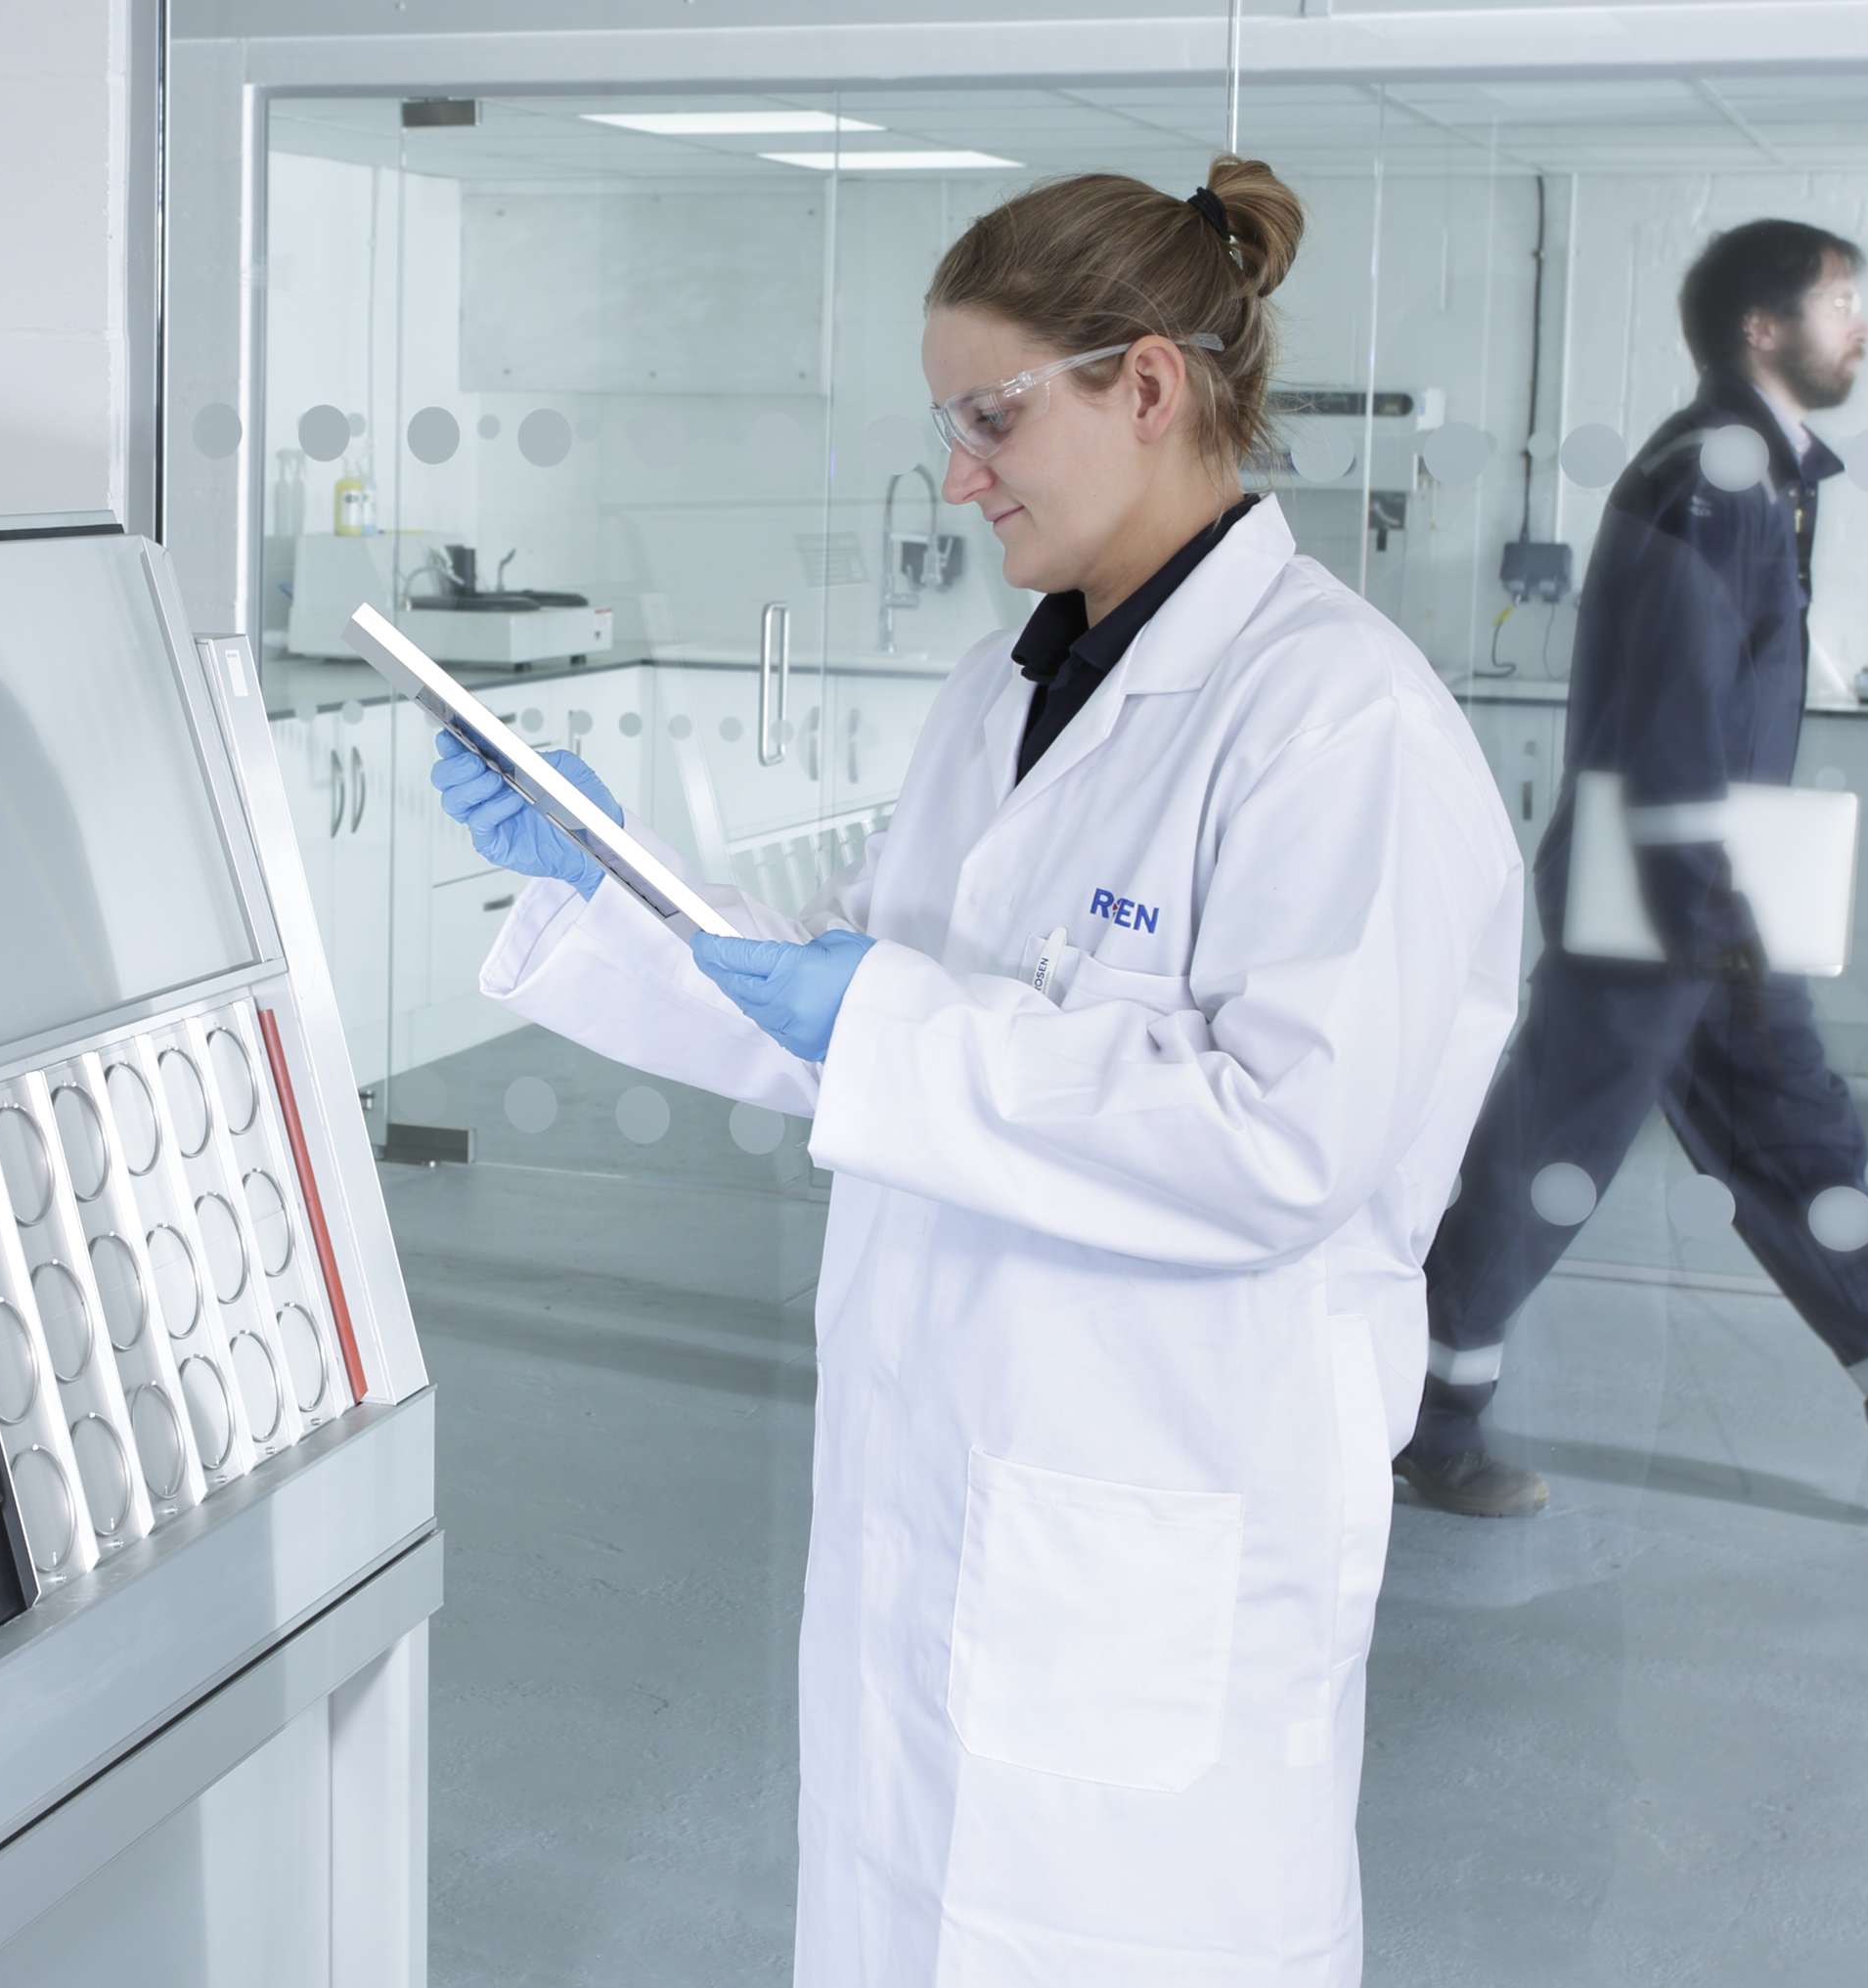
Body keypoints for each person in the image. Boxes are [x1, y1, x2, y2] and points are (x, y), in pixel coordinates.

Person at [430, 158, 1521, 1985]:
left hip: (1156, 1498)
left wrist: (882, 1019)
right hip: (945, 1464)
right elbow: (851, 1004)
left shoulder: (1339, 720)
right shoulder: (1012, 686)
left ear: (1150, 385)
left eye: (994, 415)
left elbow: (1282, 1143)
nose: (959, 473)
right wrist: (612, 887)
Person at [1401, 219, 1868, 1524]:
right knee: (1547, 1159)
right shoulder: (1717, 478)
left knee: (1788, 1147)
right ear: (1763, 328)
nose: (1864, 327)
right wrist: (1714, 905)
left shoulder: (1760, 475)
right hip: (1670, 898)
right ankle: (1416, 1411)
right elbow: (1672, 709)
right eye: (1842, 301)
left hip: (1689, 894)